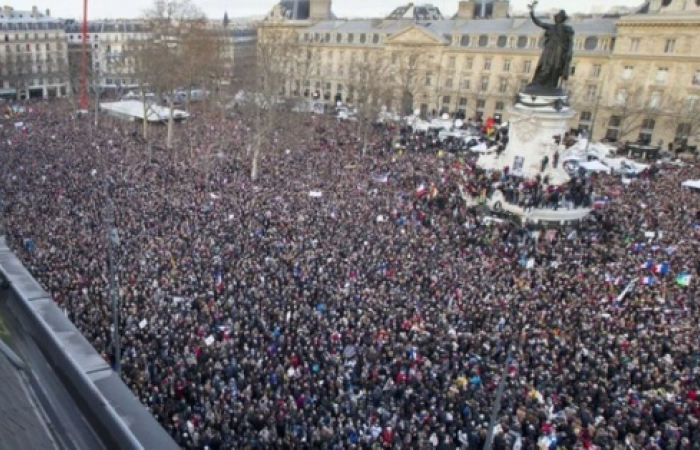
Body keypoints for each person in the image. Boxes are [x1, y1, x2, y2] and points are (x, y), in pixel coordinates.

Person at [527, 1, 574, 90]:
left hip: (559, 49)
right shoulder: (551, 27)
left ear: (562, 18)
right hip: (549, 48)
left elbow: (570, 41)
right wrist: (532, 13)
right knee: (544, 64)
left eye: (558, 17)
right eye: (556, 17)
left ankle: (552, 84)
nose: (556, 18)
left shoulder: (567, 29)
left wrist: (569, 51)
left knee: (555, 66)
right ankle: (539, 82)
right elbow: (539, 23)